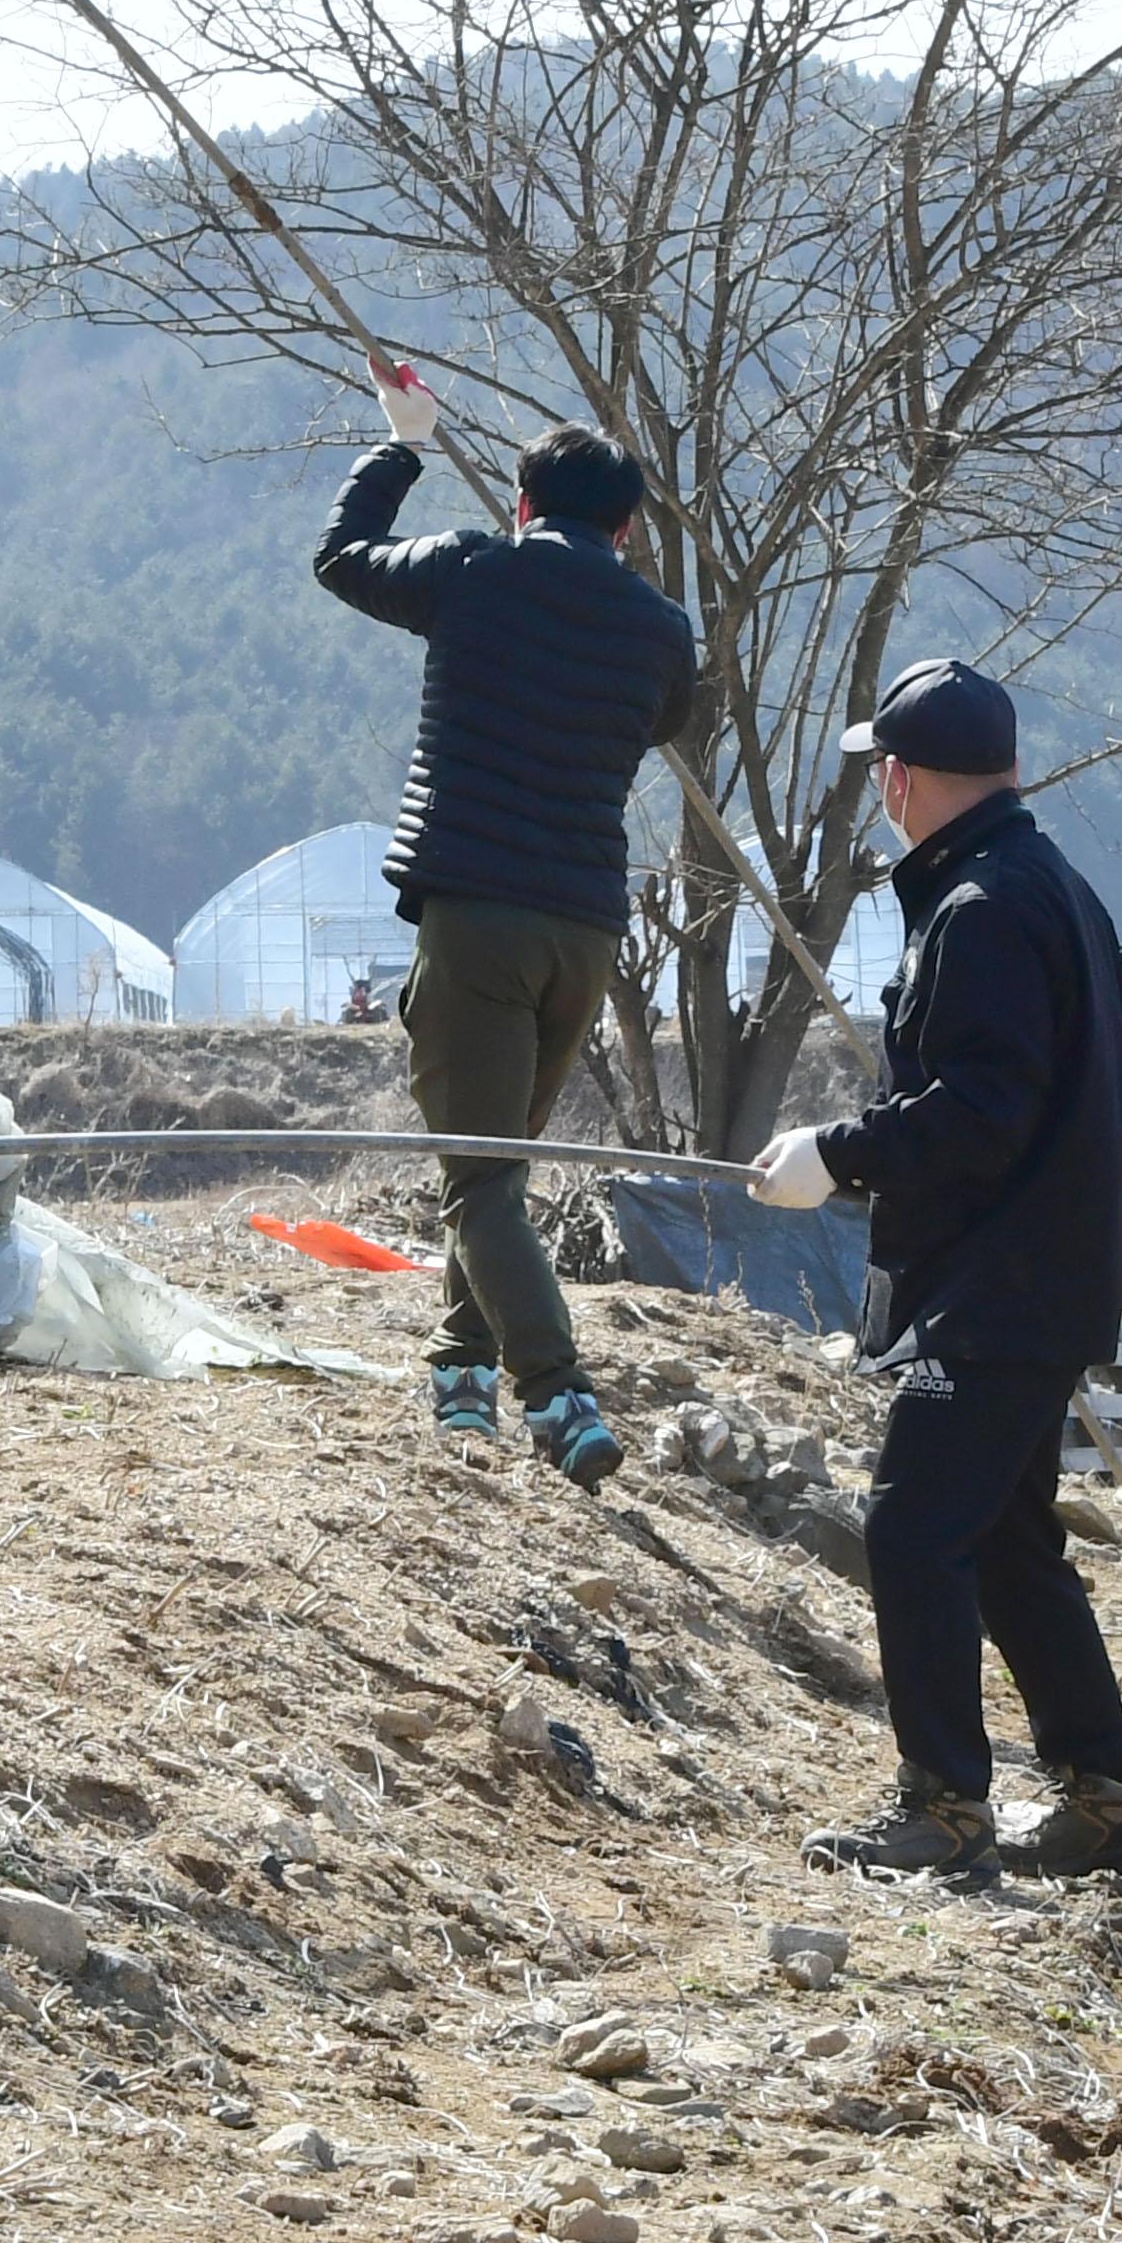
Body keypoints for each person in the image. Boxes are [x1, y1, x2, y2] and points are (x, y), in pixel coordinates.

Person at [744, 662, 1122, 1879]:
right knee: (1000, 1538)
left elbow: (986, 1107)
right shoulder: (1050, 889)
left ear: (900, 780)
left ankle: (943, 1809)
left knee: (912, 1529)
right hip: (1038, 1279)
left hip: (994, 1292)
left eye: (881, 770)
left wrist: (838, 1152)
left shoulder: (984, 906)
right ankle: (1114, 1791)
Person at [313, 369, 703, 1486]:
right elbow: (672, 710)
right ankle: (459, 1364)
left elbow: (341, 558)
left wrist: (403, 445)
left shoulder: (472, 568)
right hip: (582, 931)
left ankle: (558, 1390)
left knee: (479, 1183)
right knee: (495, 1173)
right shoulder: (659, 628)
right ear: (628, 528)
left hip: (475, 914)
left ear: (525, 503)